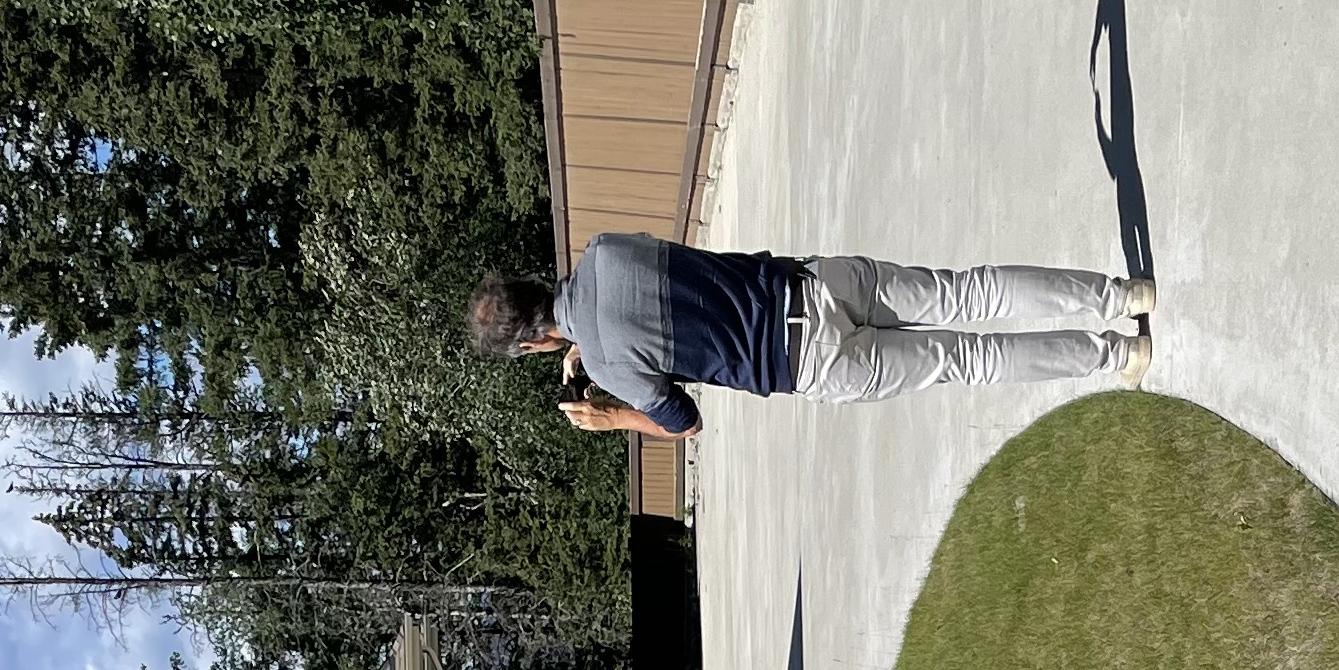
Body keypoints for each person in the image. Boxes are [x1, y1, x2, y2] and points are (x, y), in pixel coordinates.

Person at [466, 236, 1154, 439]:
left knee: (968, 359)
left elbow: (685, 422)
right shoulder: (606, 252)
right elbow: (648, 297)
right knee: (965, 289)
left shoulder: (613, 370)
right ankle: (1122, 295)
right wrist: (592, 342)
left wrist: (616, 417)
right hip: (814, 283)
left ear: (531, 345)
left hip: (810, 362)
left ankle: (1121, 353)